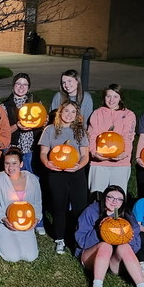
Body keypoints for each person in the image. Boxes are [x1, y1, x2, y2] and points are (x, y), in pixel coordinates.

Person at [75, 186, 144, 287]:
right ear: (104, 198)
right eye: (110, 197)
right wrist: (100, 230)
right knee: (105, 246)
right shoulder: (91, 211)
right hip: (91, 256)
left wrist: (127, 237)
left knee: (125, 247)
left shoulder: (127, 216)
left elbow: (136, 247)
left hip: (113, 262)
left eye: (119, 199)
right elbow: (81, 241)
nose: (114, 202)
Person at [38, 101, 90, 255]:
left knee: (79, 207)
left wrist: (79, 166)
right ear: (60, 112)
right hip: (56, 173)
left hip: (76, 173)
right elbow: (43, 152)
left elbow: (85, 155)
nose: (69, 115)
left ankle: (76, 237)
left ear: (77, 115)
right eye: (66, 111)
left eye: (73, 112)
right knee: (59, 207)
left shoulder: (80, 132)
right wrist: (47, 163)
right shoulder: (50, 130)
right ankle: (60, 238)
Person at [0, 147, 43, 262]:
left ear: (21, 164)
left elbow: (37, 202)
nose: (10, 167)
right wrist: (3, 218)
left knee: (30, 256)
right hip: (3, 223)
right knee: (12, 257)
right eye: (7, 163)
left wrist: (36, 218)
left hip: (25, 223)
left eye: (14, 163)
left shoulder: (32, 179)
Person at [86, 84, 136, 194]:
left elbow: (128, 136)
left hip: (120, 163)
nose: (111, 100)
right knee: (97, 194)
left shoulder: (128, 115)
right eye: (108, 96)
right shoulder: (97, 113)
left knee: (117, 196)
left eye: (115, 96)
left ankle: (117, 212)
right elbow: (92, 134)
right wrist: (93, 152)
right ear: (104, 97)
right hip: (99, 163)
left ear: (120, 98)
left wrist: (125, 152)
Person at [3, 73, 42, 173]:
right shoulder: (5, 106)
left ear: (28, 87)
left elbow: (41, 123)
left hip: (31, 148)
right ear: (13, 86)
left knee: (32, 176)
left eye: (25, 84)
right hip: (13, 149)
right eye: (18, 84)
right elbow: (2, 131)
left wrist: (43, 122)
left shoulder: (36, 103)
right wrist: (17, 126)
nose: (21, 87)